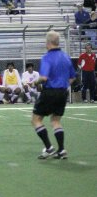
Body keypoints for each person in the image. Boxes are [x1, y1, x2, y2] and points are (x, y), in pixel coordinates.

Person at [31, 30, 76, 159]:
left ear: (49, 42)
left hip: (50, 92)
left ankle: (49, 147)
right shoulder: (66, 56)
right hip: (63, 92)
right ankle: (61, 150)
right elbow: (72, 77)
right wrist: (63, 84)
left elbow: (44, 77)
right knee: (56, 121)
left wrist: (35, 82)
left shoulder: (47, 57)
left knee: (36, 119)